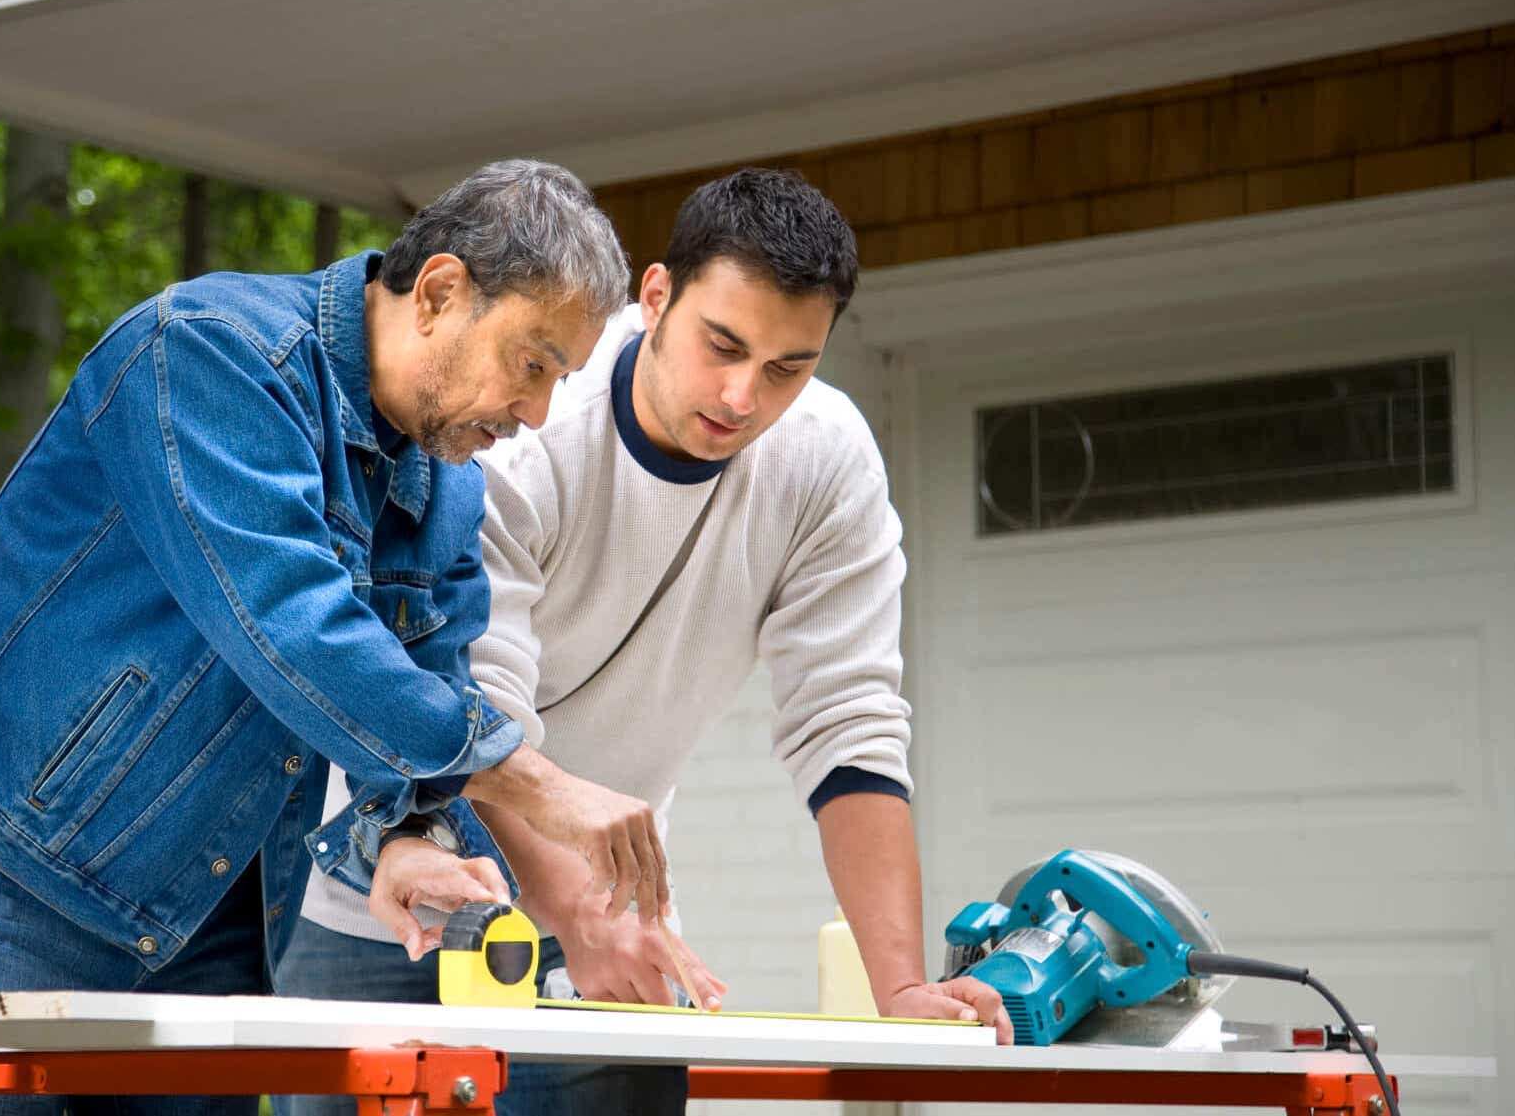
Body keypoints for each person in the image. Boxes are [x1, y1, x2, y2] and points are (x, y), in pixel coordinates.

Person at [0, 159, 667, 1115]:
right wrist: (538, 782)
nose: (533, 414)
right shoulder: (204, 355)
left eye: (558, 381)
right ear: (440, 292)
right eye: (531, 364)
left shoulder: (445, 490)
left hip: (209, 906)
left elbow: (423, 685)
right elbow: (292, 626)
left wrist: (402, 834)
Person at [276, 168, 1012, 1116]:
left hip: (606, 914)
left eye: (788, 366)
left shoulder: (827, 460)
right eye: (723, 345)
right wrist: (575, 909)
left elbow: (850, 725)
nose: (743, 395)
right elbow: (469, 708)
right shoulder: (524, 422)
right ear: (656, 295)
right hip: (387, 897)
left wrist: (902, 987)